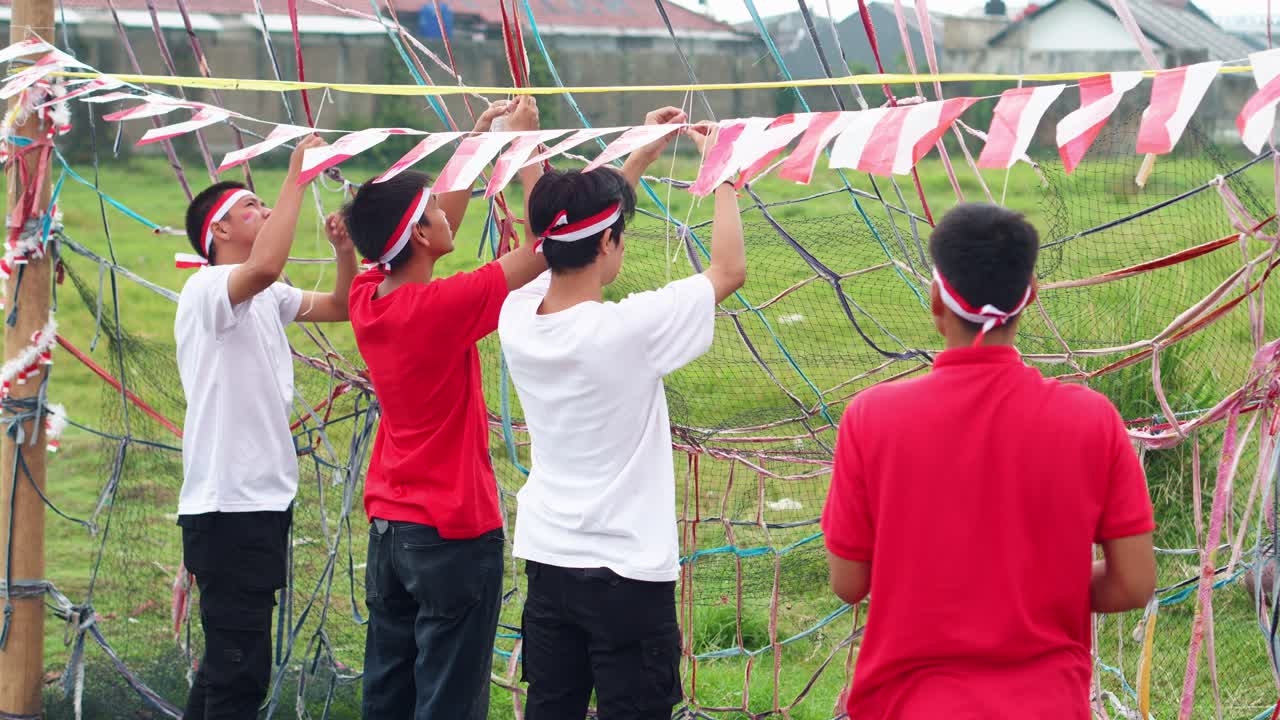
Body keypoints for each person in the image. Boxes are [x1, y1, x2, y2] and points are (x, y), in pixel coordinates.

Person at [821, 203, 1158, 719]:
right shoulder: (1091, 419)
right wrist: (1038, 584)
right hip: (1048, 704)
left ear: (936, 299)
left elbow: (850, 584)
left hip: (907, 705)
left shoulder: (872, 417)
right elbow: (1133, 583)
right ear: (1032, 297)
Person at [496, 115, 745, 720]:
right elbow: (729, 271)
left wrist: (633, 160)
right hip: (629, 574)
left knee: (551, 707)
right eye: (619, 234)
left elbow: (561, 228)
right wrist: (726, 173)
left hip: (550, 562)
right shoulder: (628, 329)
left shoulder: (516, 317)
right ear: (608, 243)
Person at [343, 96, 545, 720]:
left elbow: (425, 235)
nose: (444, 210)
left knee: (391, 695)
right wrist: (526, 144)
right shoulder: (443, 307)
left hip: (390, 533)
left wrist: (476, 143)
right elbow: (549, 242)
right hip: (452, 535)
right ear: (424, 236)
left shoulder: (367, 296)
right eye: (434, 209)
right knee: (449, 702)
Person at [175, 135, 358, 720]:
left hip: (258, 503)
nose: (263, 211)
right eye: (249, 206)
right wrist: (298, 177)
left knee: (228, 663)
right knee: (239, 670)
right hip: (228, 507)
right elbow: (268, 263)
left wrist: (344, 250)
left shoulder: (266, 295)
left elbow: (341, 305)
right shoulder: (207, 290)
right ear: (219, 232)